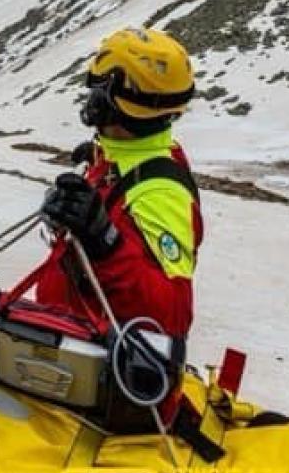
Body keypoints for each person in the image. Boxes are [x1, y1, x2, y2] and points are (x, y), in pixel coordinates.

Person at [38, 27, 202, 340]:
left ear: (108, 100)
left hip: (91, 356)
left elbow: (173, 315)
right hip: (63, 337)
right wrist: (100, 158)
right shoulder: (126, 160)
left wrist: (105, 243)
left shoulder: (160, 194)